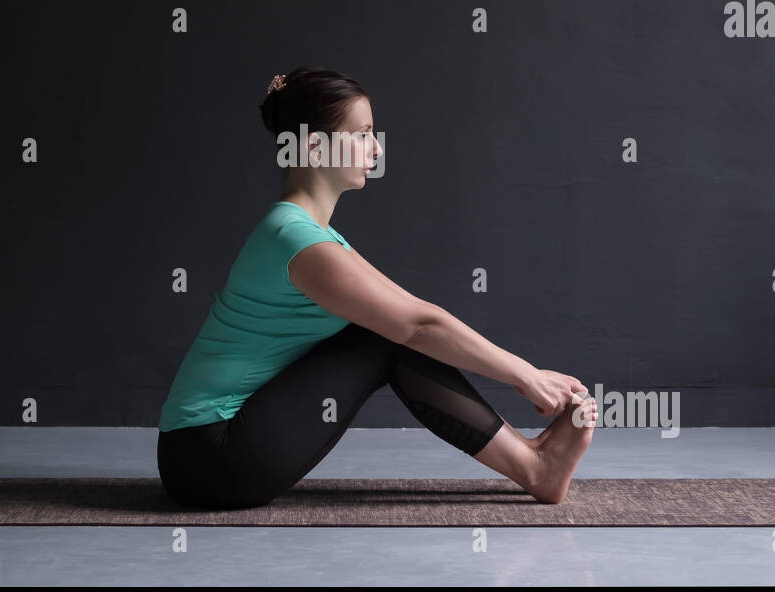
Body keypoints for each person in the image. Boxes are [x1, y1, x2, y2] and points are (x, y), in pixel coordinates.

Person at [157, 65, 597, 509]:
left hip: (202, 453)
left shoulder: (309, 233)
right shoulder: (296, 240)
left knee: (386, 329)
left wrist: (527, 374)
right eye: (363, 134)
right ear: (315, 146)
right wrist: (526, 376)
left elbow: (417, 311)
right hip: (208, 455)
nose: (376, 149)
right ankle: (534, 465)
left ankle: (534, 461)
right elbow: (417, 326)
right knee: (384, 337)